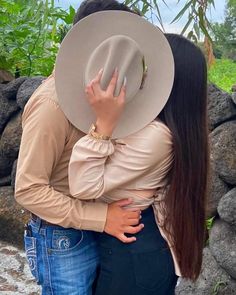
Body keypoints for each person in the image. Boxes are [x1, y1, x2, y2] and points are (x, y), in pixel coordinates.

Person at [14, 1, 144, 295]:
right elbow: (27, 189)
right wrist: (102, 218)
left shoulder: (104, 99)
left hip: (94, 226)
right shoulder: (52, 105)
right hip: (62, 239)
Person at [68, 33, 209, 295]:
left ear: (168, 82)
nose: (140, 76)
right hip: (135, 247)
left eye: (149, 70)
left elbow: (83, 185)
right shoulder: (162, 127)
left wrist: (104, 124)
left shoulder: (157, 135)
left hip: (133, 256)